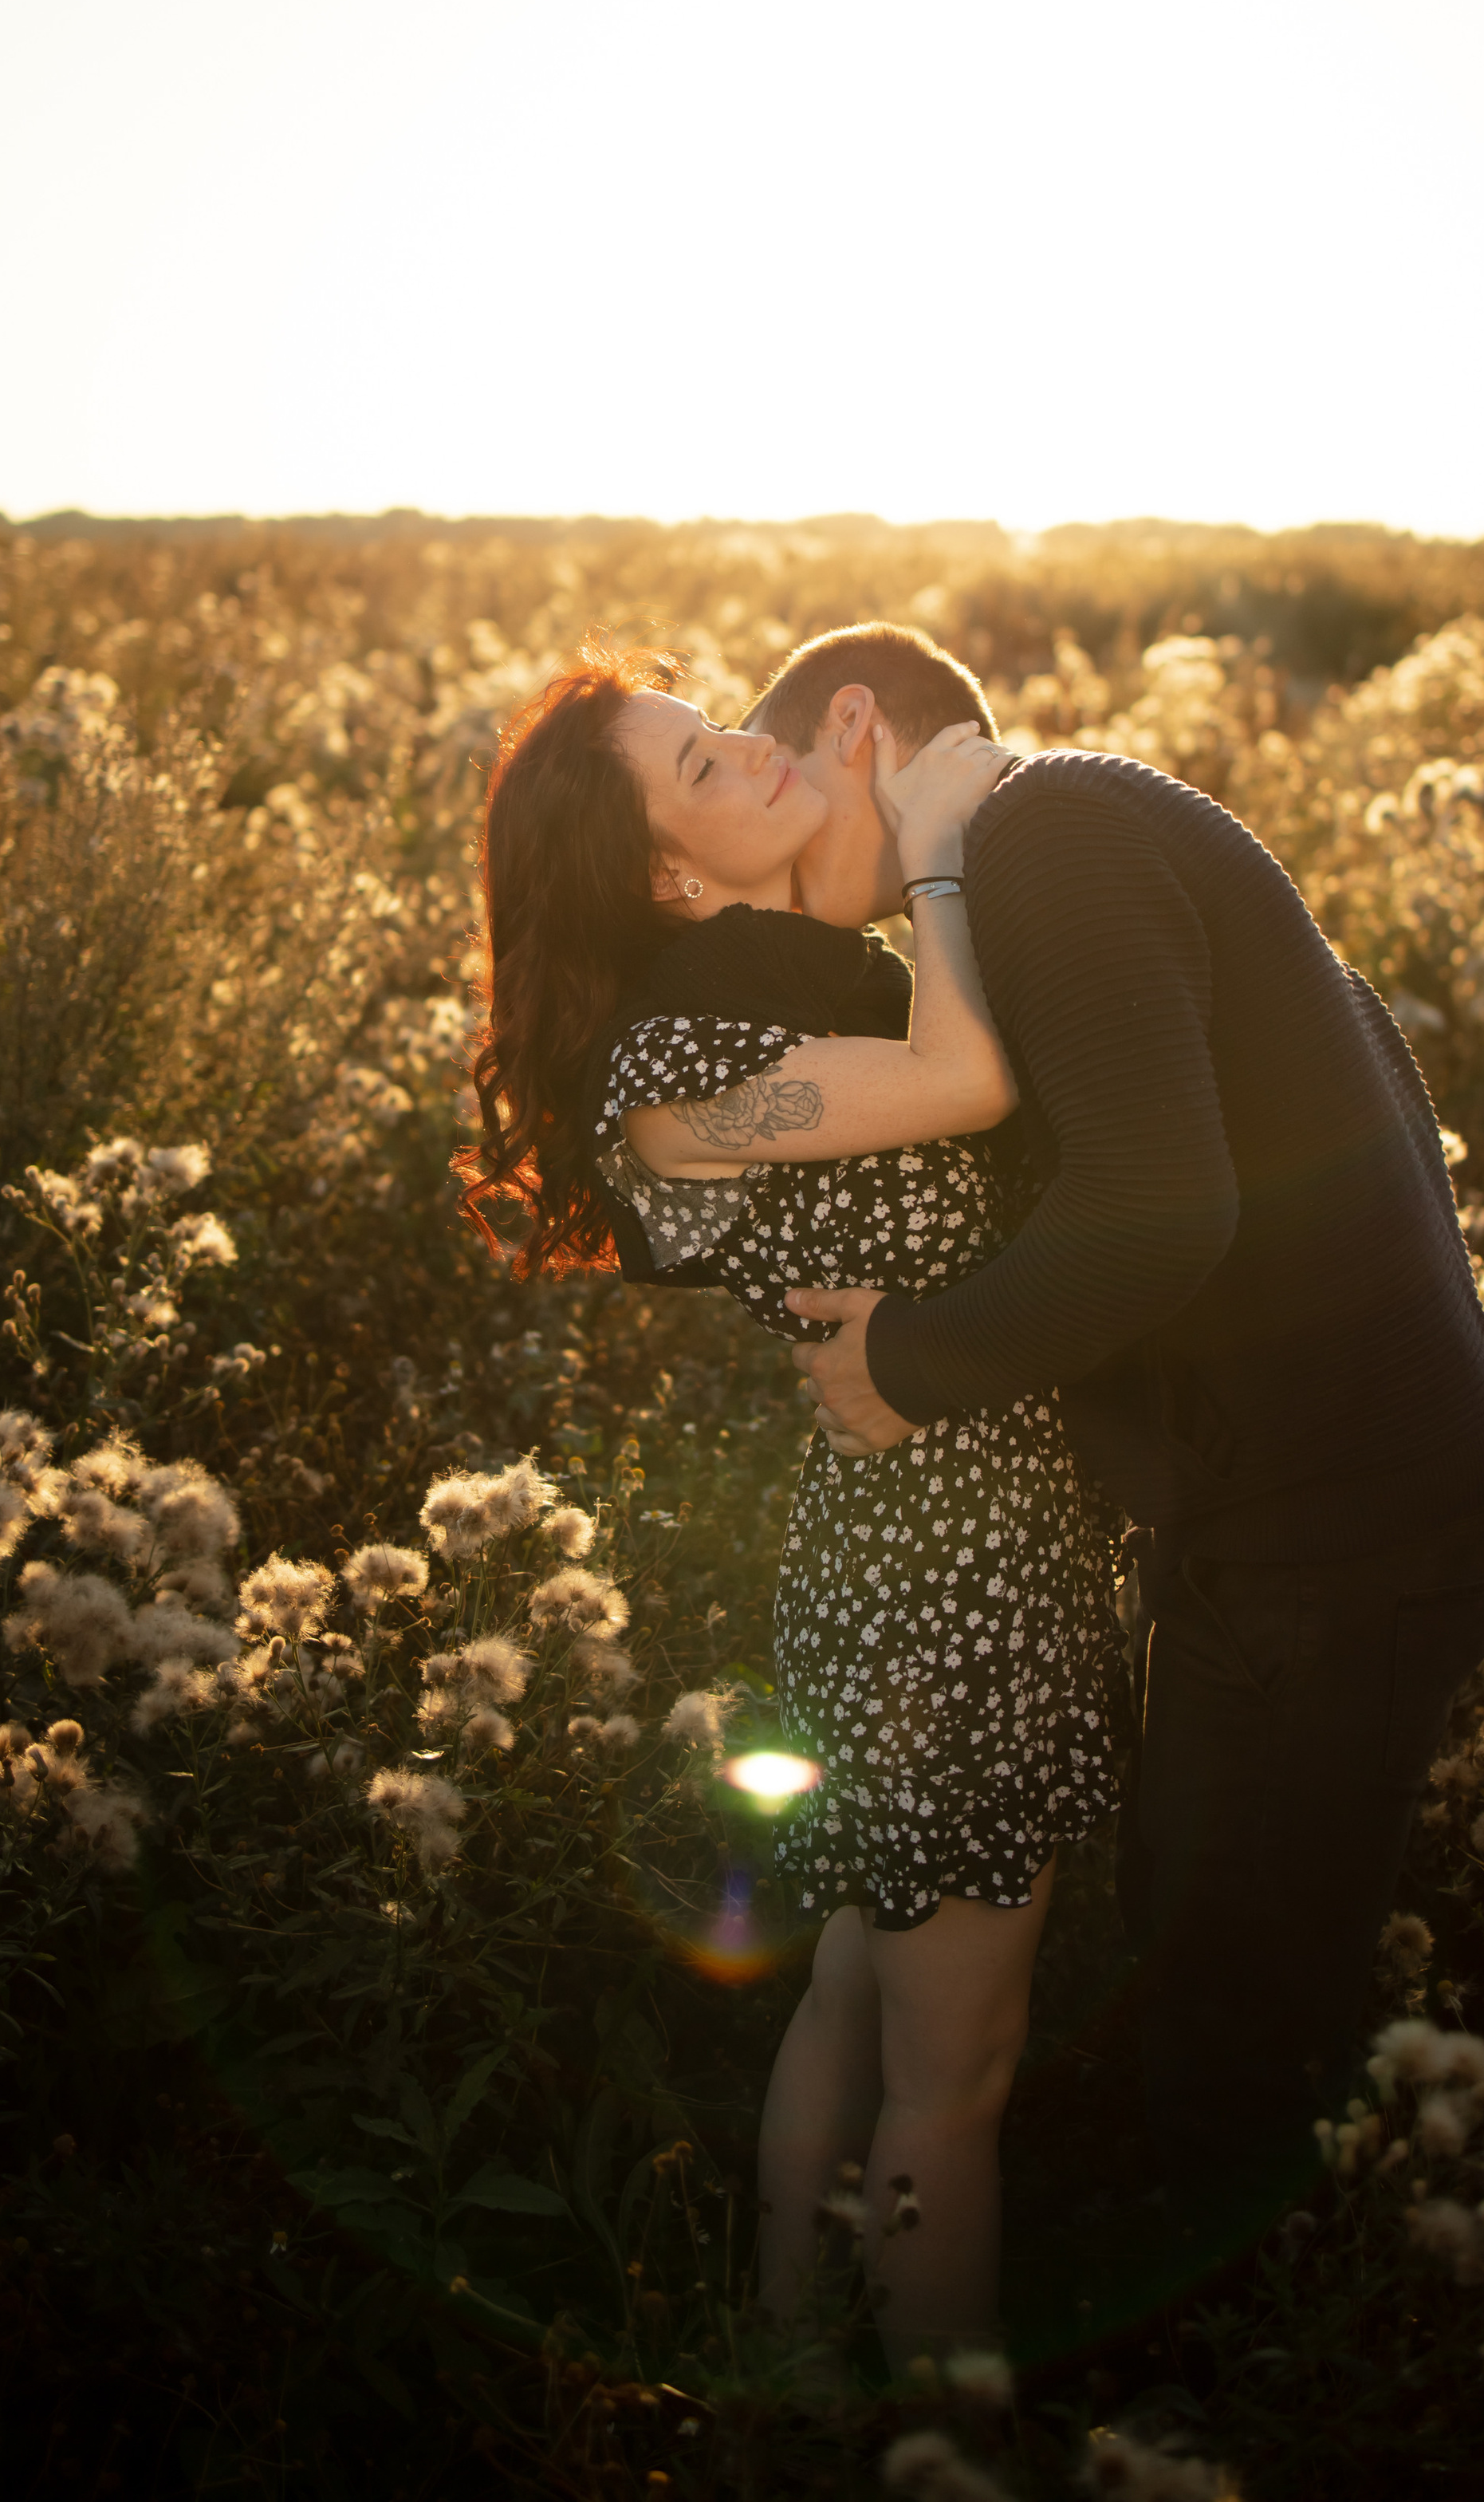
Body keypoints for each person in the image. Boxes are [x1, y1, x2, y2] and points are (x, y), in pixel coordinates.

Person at [750, 620, 1484, 2268]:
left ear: (852, 726)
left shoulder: (1059, 840)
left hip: (1346, 1532)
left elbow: (1159, 1208)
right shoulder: (1053, 840)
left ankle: (1259, 2362)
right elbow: (1353, 1044)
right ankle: (1230, 2290)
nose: (758, 870)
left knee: (1239, 1992)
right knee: (1198, 1917)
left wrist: (908, 1360)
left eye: (773, 799)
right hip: (1294, 1512)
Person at [456, 639, 1122, 2371]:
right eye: (701, 774)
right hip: (938, 1582)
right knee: (951, 2080)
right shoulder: (679, 1101)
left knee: (853, 1975)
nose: (751, 759)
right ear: (670, 876)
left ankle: (774, 2353)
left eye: (720, 739)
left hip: (914, 1547)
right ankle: (931, 2442)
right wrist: (944, 833)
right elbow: (967, 1084)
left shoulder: (754, 1011)